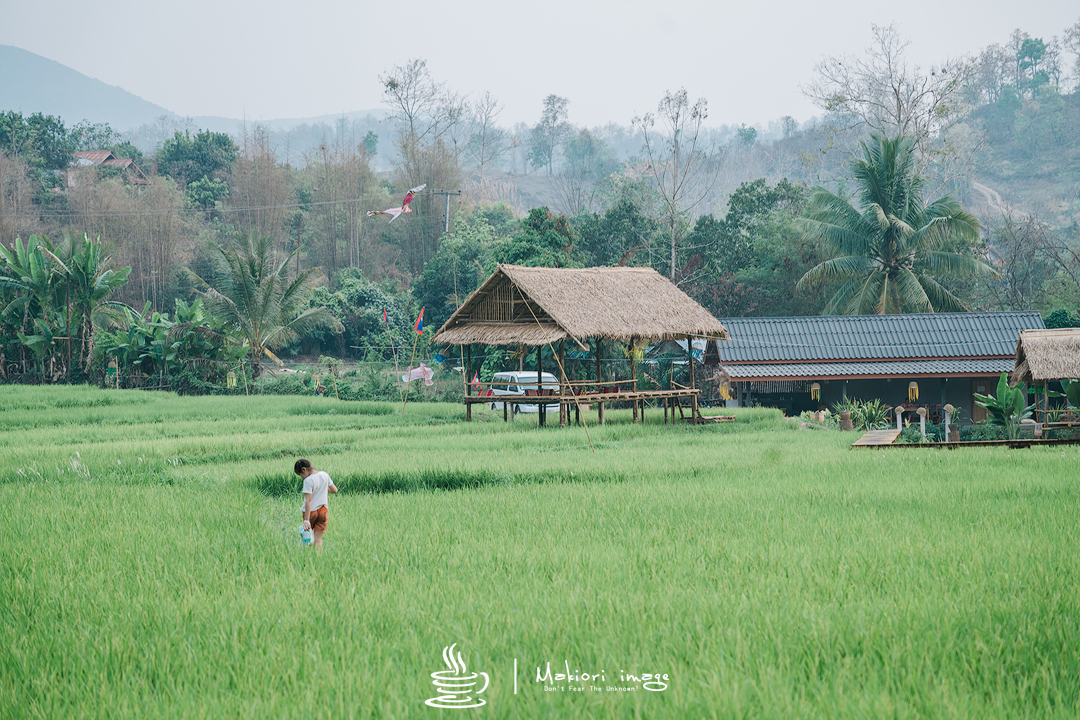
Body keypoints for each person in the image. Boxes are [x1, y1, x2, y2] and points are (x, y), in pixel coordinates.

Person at [294, 458, 338, 550]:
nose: (302, 477)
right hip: (323, 511)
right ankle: (318, 562)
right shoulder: (324, 475)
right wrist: (323, 488)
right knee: (318, 541)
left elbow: (308, 501)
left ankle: (308, 562)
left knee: (308, 540)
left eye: (300, 474)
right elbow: (334, 490)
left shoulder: (308, 481)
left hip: (311, 512)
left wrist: (306, 520)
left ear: (304, 469)